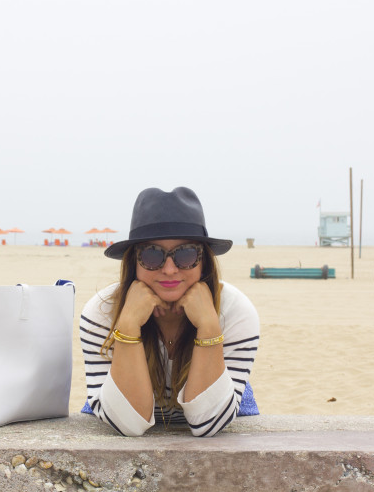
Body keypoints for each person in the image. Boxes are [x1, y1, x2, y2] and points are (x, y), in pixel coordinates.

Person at [79, 187, 260, 437]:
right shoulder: (102, 312)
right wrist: (128, 325)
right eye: (152, 255)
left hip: (225, 407)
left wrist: (209, 326)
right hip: (117, 408)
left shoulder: (235, 311)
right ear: (133, 261)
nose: (170, 269)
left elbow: (207, 424)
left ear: (204, 259)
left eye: (185, 254)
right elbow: (128, 424)